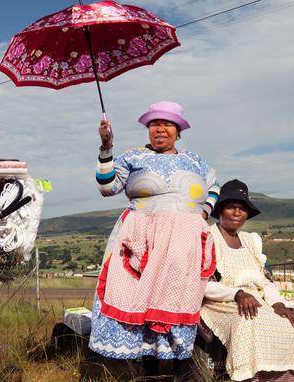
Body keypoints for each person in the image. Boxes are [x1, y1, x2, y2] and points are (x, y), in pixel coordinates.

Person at [88, 101, 219, 377]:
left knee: (181, 303)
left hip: (185, 243)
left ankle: (181, 373)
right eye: (154, 124)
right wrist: (106, 148)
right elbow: (106, 186)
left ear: (178, 131)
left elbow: (214, 186)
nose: (160, 129)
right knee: (143, 304)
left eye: (167, 124)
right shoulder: (132, 157)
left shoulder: (195, 160)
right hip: (143, 239)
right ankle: (149, 375)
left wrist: (203, 213)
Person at [201, 179, 294, 382]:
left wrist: (278, 303)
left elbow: (265, 282)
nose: (237, 212)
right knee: (250, 324)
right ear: (220, 210)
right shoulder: (208, 238)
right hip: (221, 302)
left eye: (242, 208)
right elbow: (201, 283)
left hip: (257, 301)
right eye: (231, 207)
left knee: (292, 326)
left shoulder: (250, 241)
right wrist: (237, 294)